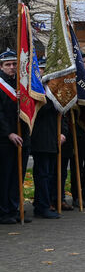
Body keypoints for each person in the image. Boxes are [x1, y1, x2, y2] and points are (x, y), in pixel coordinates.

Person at [0, 51, 25, 223]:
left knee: (17, 176)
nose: (12, 67)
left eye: (14, 64)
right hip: (4, 138)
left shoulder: (19, 83)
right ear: (1, 67)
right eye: (8, 64)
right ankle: (3, 211)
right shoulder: (2, 84)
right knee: (5, 176)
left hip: (21, 136)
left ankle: (14, 208)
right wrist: (9, 132)